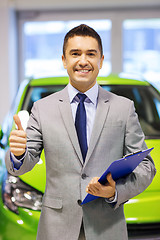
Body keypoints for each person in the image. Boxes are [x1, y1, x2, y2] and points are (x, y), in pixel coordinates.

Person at [5, 24, 156, 240]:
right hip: (56, 229)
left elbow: (146, 166)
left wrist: (115, 191)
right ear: (64, 60)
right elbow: (22, 166)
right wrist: (18, 154)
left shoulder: (123, 108)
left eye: (90, 54)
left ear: (101, 60)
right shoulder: (42, 108)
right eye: (75, 54)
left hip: (107, 228)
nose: (83, 61)